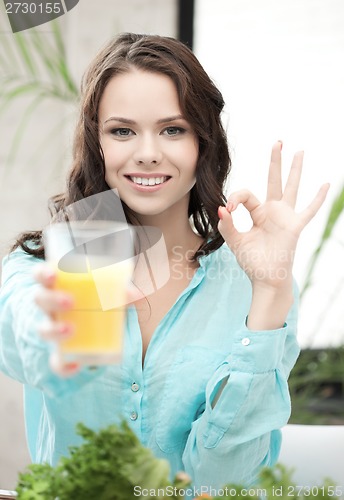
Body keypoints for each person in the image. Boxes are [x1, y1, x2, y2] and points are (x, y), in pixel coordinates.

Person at [0, 33, 329, 491]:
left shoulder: (256, 285)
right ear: (98, 144)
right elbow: (22, 340)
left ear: (203, 142)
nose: (148, 151)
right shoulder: (46, 264)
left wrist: (270, 295)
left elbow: (222, 480)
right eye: (122, 130)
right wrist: (59, 319)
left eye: (172, 129)